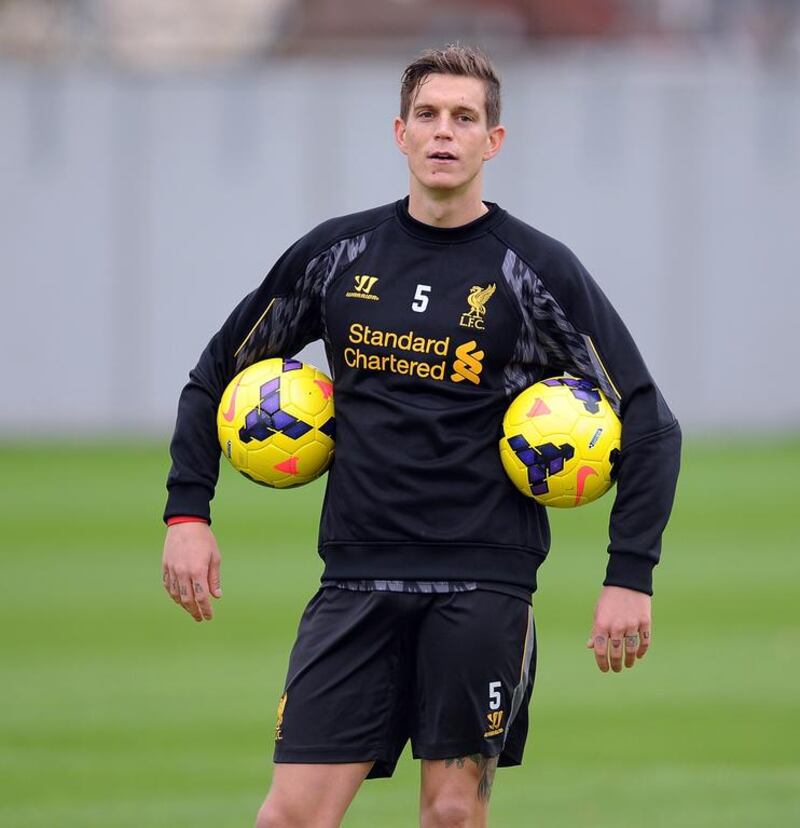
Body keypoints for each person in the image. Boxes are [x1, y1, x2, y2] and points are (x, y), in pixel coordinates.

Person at [162, 45, 681, 828]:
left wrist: (629, 574)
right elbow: (215, 374)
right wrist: (188, 514)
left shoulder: (534, 271)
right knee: (289, 818)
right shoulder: (338, 254)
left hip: (483, 583)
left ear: (492, 141)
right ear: (400, 133)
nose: (445, 132)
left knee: (449, 814)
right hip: (355, 579)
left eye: (464, 118)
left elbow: (648, 418)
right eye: (430, 116)